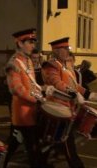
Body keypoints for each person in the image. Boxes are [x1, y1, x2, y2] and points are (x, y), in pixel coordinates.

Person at [41, 37, 97, 168]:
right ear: (56, 51)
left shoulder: (66, 65)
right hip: (57, 107)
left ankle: (40, 161)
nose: (67, 51)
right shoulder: (51, 65)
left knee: (56, 139)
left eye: (68, 48)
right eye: (65, 48)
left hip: (68, 108)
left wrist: (89, 94)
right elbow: (57, 83)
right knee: (66, 140)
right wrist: (74, 93)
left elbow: (75, 85)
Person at [3, 28, 46, 168]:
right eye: (29, 42)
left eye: (33, 42)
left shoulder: (27, 60)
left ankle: (0, 162)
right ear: (20, 44)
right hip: (22, 111)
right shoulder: (14, 63)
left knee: (21, 143)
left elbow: (31, 85)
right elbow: (17, 89)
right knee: (31, 145)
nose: (33, 45)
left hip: (30, 110)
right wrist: (36, 99)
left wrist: (43, 91)